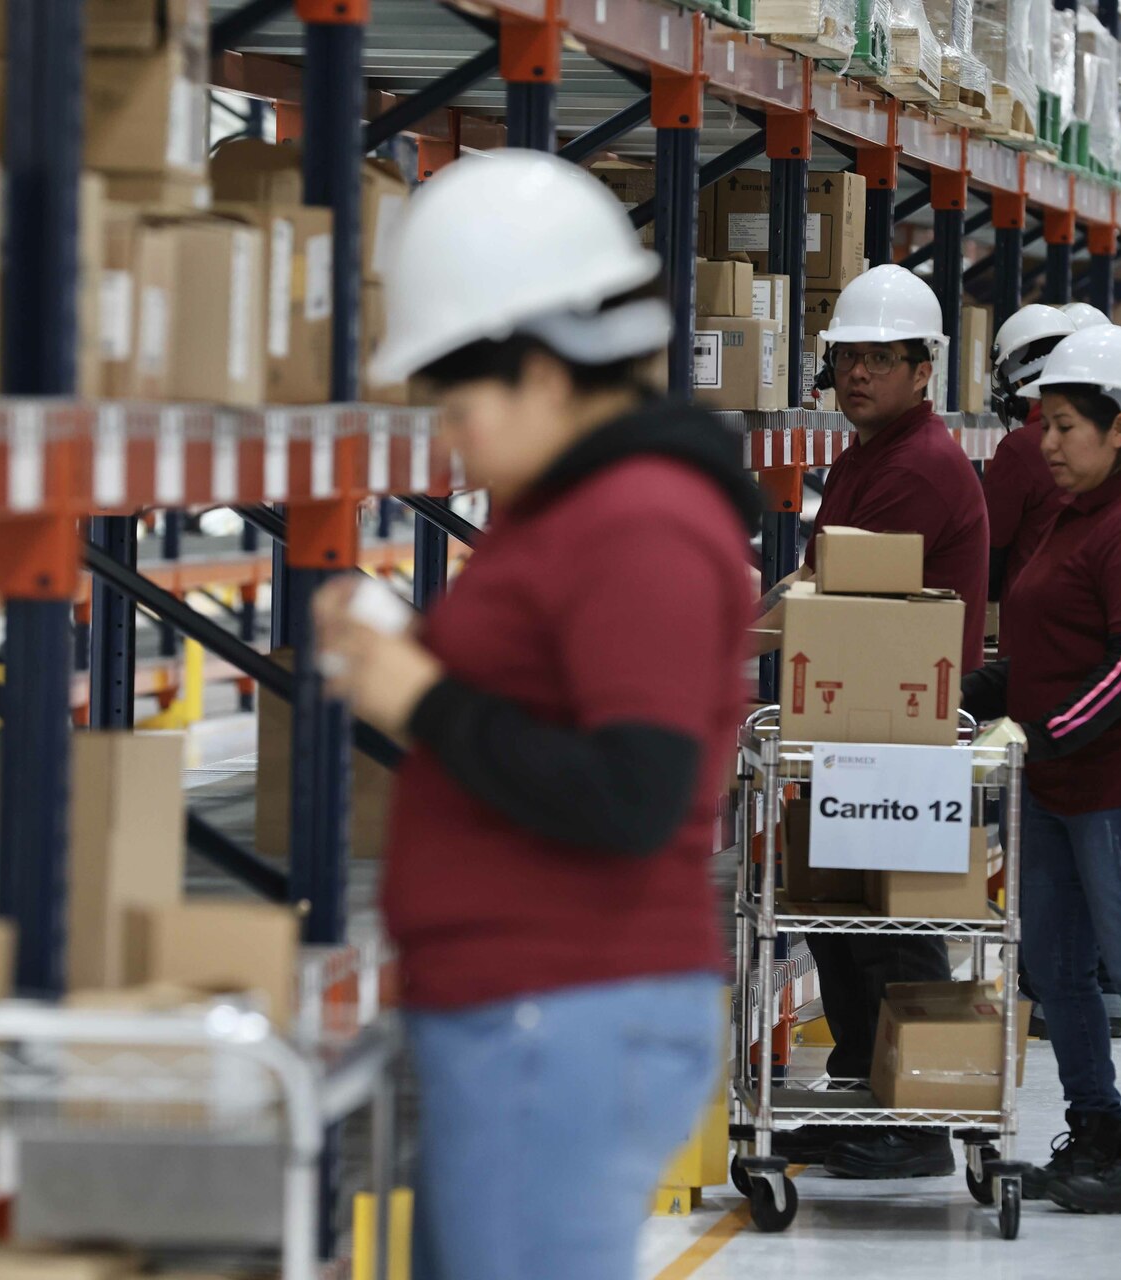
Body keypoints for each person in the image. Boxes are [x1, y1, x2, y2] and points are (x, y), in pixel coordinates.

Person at [314, 151, 757, 1280]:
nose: (451, 438)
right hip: (528, 1012)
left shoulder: (639, 521)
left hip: (565, 1013)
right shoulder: (569, 508)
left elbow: (631, 792)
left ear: (546, 375)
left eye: (461, 406)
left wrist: (422, 698)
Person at [962, 324, 1121, 1214]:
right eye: (1044, 425)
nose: (1049, 444)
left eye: (1066, 426)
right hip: (1061, 778)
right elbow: (1047, 647)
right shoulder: (1081, 512)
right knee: (1056, 968)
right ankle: (1094, 1127)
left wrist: (1045, 733)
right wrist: (969, 692)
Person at [766, 263, 990, 1181]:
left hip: (900, 726)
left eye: (880, 359)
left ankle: (917, 1120)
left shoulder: (916, 467)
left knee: (891, 928)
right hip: (860, 718)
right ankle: (866, 1087)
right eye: (848, 357)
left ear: (923, 369)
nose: (857, 374)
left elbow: (843, 590)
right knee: (844, 922)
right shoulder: (870, 454)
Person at [984, 303, 1077, 616]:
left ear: (1018, 387)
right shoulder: (1113, 440)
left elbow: (988, 554)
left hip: (1036, 624)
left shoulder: (1021, 449)